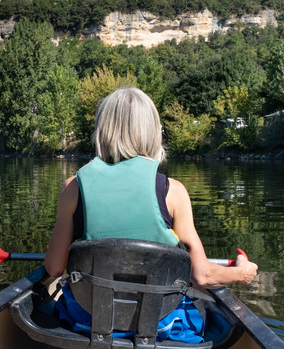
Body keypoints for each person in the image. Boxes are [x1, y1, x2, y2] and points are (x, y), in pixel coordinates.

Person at [44, 87, 257, 341]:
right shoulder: (172, 192)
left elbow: (54, 268)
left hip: (89, 320)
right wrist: (241, 273)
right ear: (151, 132)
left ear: (102, 130)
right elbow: (202, 275)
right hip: (160, 323)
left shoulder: (73, 188)